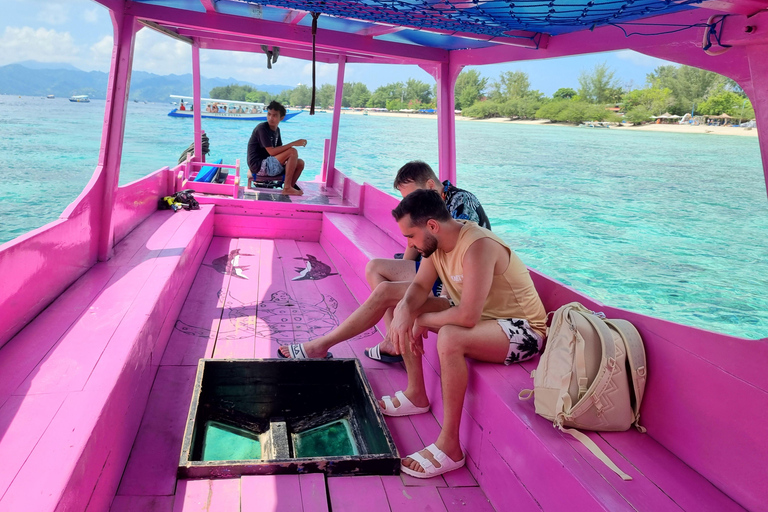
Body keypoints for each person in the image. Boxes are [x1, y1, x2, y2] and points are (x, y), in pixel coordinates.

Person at [281, 190, 546, 479]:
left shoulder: (477, 246)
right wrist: (406, 311)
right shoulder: (436, 245)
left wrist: (421, 321)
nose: (408, 244)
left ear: (432, 226)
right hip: (481, 316)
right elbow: (419, 288)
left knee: (449, 337)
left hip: (522, 330)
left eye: (410, 236)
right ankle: (415, 393)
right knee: (394, 296)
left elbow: (467, 316)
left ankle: (450, 446)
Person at [364, 161, 490, 363]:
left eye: (412, 196)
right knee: (375, 268)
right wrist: (402, 271)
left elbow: (462, 249)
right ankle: (393, 338)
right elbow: (412, 243)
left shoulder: (461, 202)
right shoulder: (428, 204)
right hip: (433, 268)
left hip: (456, 279)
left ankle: (396, 342)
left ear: (431, 185)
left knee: (389, 292)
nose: (410, 203)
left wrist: (443, 298)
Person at [247, 100, 306, 195]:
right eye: (269, 114)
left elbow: (279, 150)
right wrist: (294, 143)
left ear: (281, 118)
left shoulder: (277, 130)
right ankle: (287, 188)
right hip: (259, 166)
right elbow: (272, 152)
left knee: (300, 163)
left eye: (274, 115)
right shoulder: (262, 128)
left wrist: (289, 161)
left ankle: (289, 186)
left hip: (269, 164)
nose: (271, 118)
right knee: (292, 151)